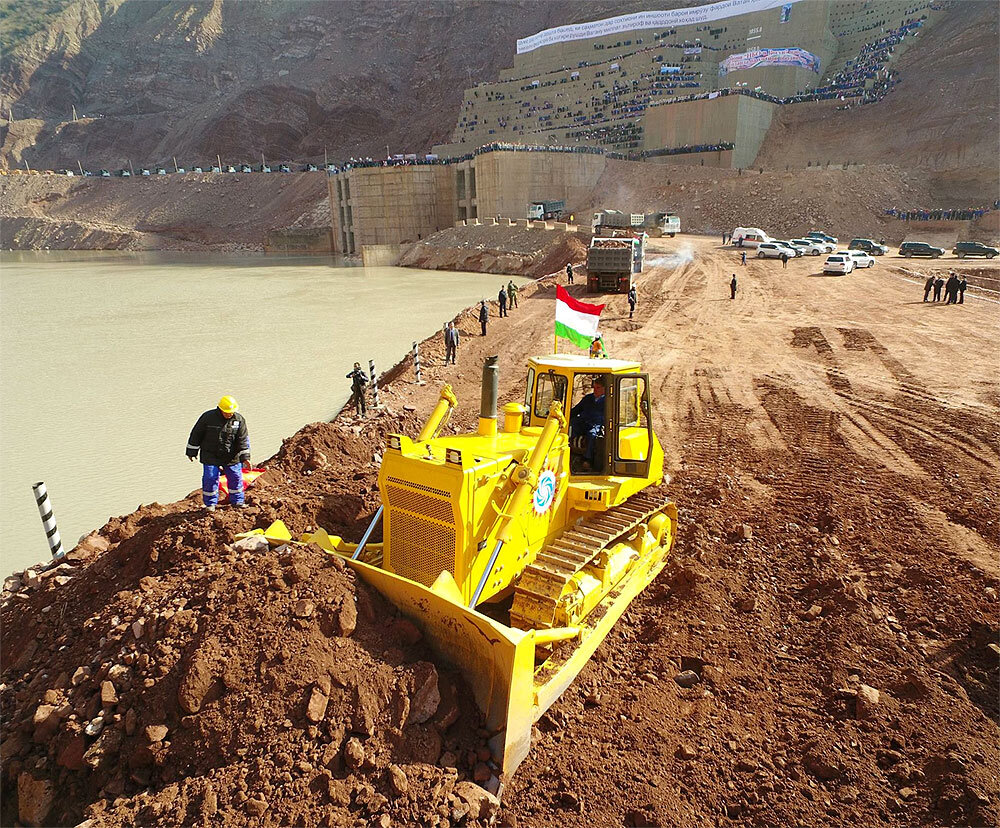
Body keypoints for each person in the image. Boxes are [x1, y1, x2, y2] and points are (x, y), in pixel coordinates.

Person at [186, 395, 251, 513]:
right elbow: (196, 434)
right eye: (227, 412)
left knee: (235, 477)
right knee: (210, 477)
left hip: (231, 455)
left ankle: (237, 502)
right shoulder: (208, 418)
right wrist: (192, 451)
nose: (229, 414)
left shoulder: (239, 420)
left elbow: (243, 439)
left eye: (231, 412)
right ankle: (210, 504)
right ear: (220, 409)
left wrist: (245, 458)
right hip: (210, 454)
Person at [571, 377, 606, 472]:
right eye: (594, 387)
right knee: (571, 426)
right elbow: (576, 410)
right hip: (583, 422)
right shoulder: (588, 398)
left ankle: (587, 460)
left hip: (596, 424)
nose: (595, 390)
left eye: (598, 388)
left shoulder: (607, 402)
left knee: (592, 434)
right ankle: (569, 453)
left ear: (604, 389)